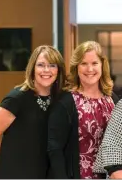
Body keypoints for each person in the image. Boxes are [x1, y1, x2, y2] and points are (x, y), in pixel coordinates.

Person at [0, 45, 66, 178]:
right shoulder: (17, 97)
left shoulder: (60, 99)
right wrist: (0, 163)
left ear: (59, 70)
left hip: (44, 173)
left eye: (52, 65)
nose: (46, 70)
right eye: (40, 65)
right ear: (32, 68)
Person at [47, 41, 116, 179]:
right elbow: (54, 149)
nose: (89, 69)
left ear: (102, 65)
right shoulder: (65, 102)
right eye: (84, 64)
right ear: (76, 68)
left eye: (94, 63)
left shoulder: (112, 99)